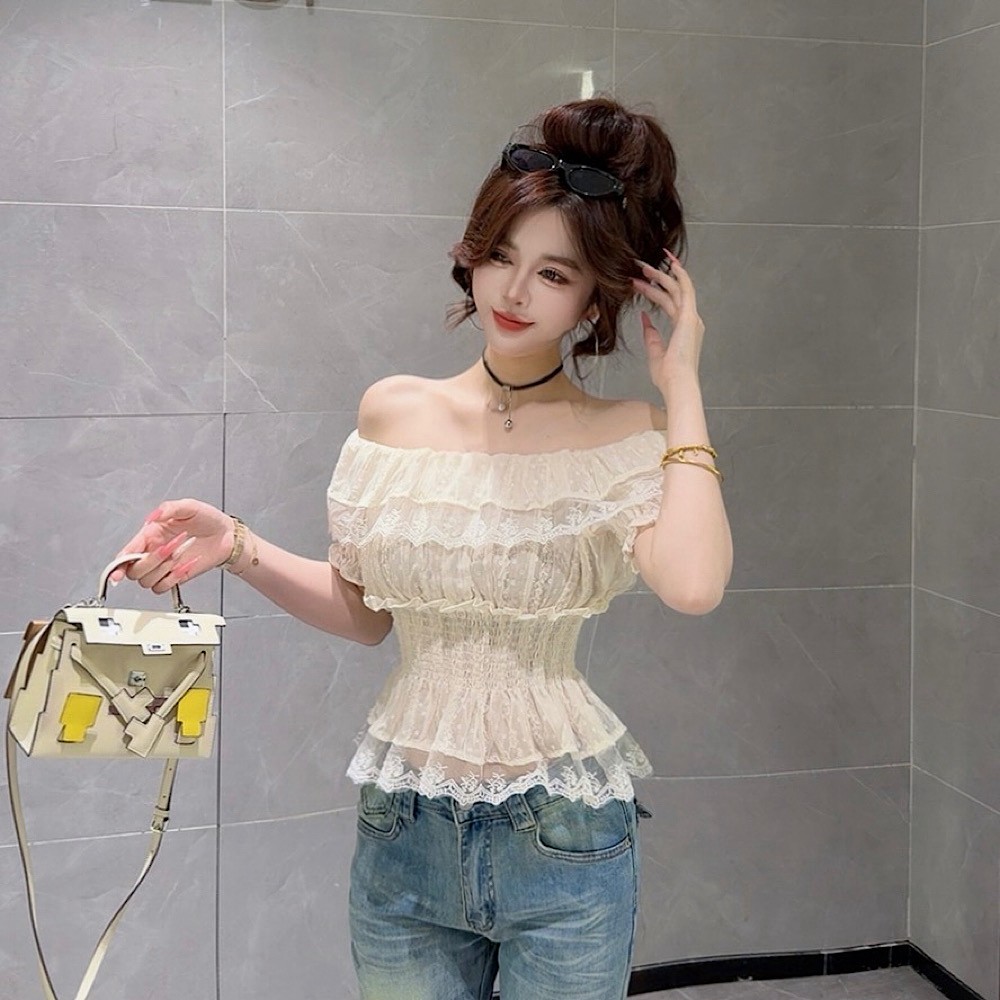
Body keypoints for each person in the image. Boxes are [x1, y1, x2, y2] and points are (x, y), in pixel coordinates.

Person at [112, 97, 733, 1000]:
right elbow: (365, 615)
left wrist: (683, 389)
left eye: (553, 274)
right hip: (404, 835)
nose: (513, 293)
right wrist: (236, 545)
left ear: (596, 294)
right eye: (501, 256)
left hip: (563, 840)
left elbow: (695, 585)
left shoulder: (627, 434)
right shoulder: (394, 414)